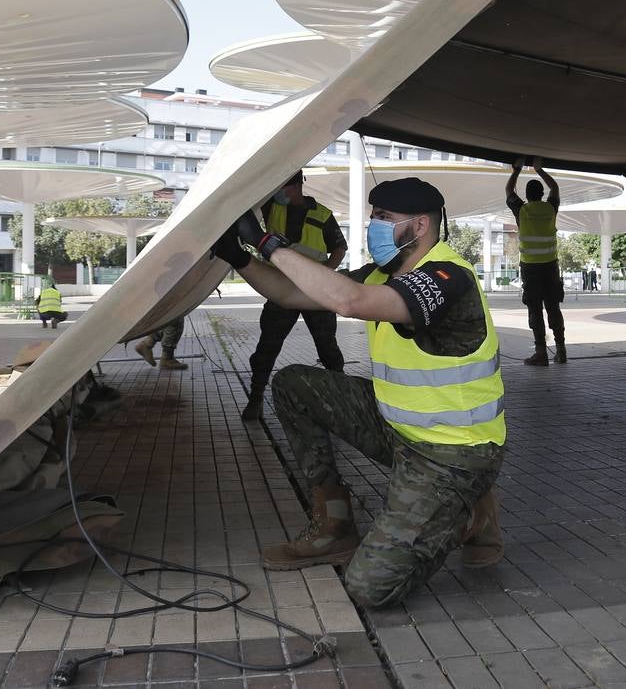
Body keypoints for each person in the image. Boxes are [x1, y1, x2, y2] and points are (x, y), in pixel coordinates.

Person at [211, 177, 505, 608]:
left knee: (370, 588)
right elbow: (293, 293)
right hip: (396, 427)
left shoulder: (446, 276)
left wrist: (268, 241)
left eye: (384, 218)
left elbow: (350, 302)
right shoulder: (383, 272)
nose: (374, 226)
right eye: (373, 217)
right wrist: (239, 255)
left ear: (420, 225)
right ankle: (335, 525)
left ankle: (460, 509)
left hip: (453, 453)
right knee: (294, 384)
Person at [242, 170, 347, 421]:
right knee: (268, 346)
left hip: (317, 292)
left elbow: (339, 247)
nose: (279, 193)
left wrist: (326, 274)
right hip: (282, 287)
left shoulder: (322, 214)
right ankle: (255, 399)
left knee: (328, 348)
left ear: (298, 185)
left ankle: (342, 399)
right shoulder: (271, 207)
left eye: (284, 188)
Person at [506, 157, 566, 365]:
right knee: (553, 307)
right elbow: (555, 187)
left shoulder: (522, 211)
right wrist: (539, 170)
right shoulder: (550, 209)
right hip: (551, 266)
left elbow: (509, 192)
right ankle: (561, 349)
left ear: (527, 196)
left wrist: (516, 170)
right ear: (541, 195)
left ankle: (541, 353)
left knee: (535, 309)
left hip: (531, 268)